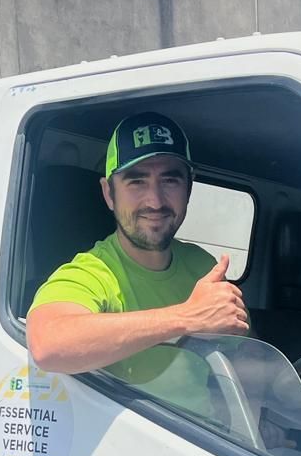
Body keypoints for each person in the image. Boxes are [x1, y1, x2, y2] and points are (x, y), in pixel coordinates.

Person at [26, 113, 248, 403]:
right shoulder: (94, 272)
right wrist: (187, 317)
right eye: (137, 182)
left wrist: (259, 415)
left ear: (189, 189)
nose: (155, 201)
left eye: (170, 180)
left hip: (208, 442)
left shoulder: (204, 267)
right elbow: (48, 344)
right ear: (108, 193)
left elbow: (240, 360)